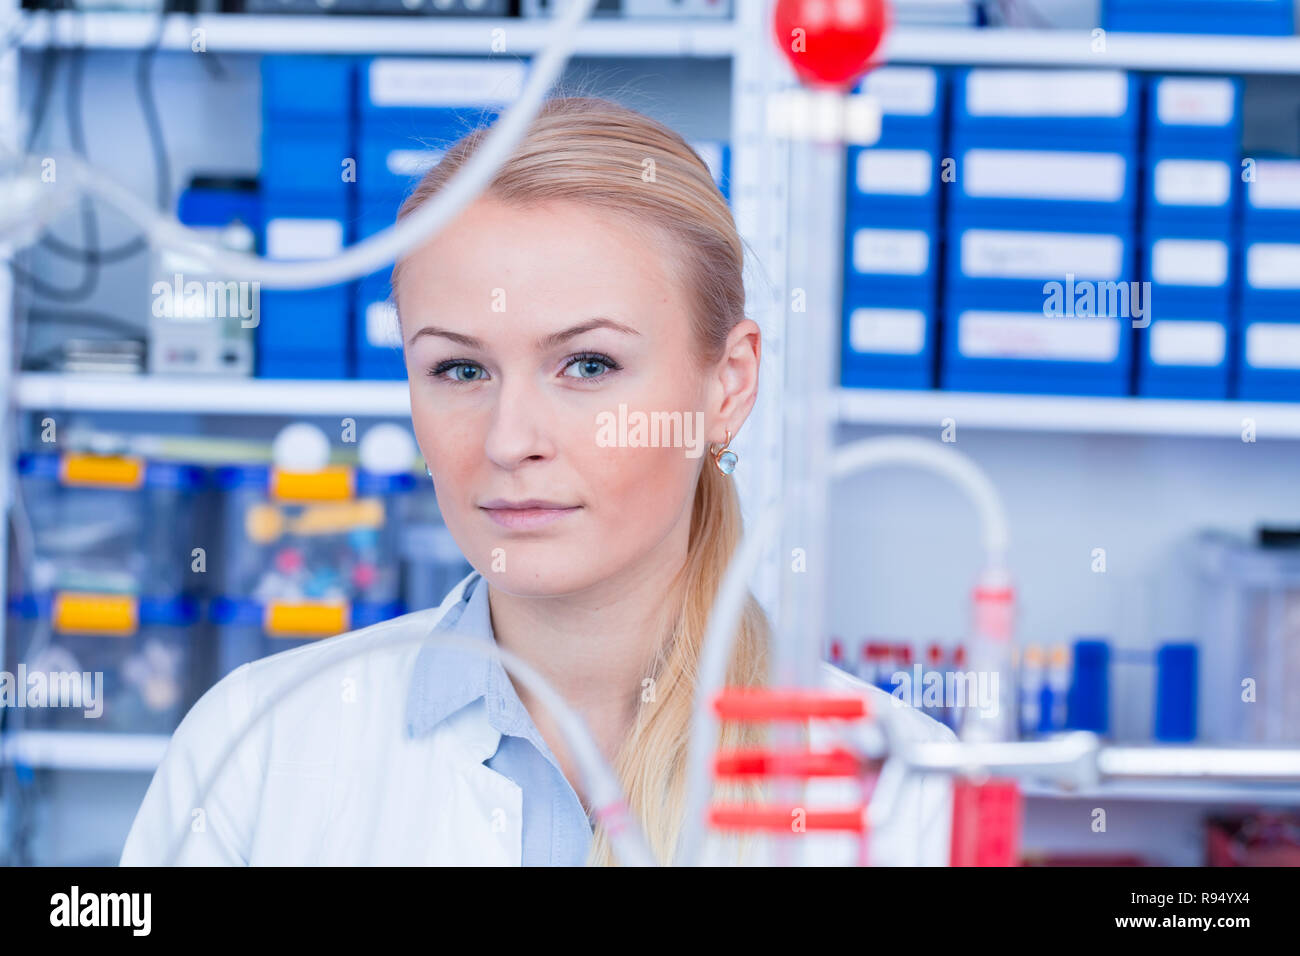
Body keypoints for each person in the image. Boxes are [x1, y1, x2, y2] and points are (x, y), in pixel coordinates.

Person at [120, 95, 954, 867]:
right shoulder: (259, 748)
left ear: (727, 386)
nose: (510, 440)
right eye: (458, 369)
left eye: (587, 364)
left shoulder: (897, 796)